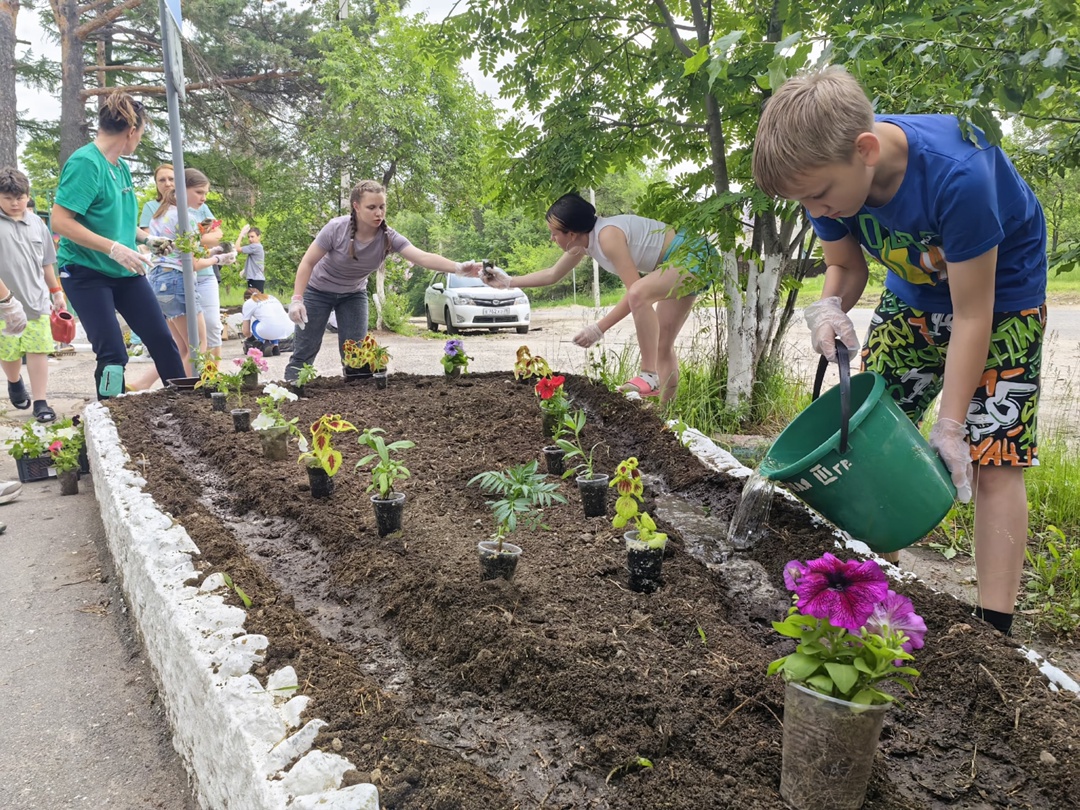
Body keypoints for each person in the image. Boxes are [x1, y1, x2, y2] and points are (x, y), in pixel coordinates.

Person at [752, 66, 1047, 637]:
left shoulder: (958, 172)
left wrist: (953, 422)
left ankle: (995, 631)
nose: (820, 209)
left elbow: (972, 314)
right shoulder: (826, 179)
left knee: (995, 457)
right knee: (863, 432)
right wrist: (829, 307)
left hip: (1002, 299)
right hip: (912, 294)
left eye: (819, 196)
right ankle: (860, 591)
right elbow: (844, 265)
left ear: (865, 150)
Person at [481, 192, 712, 403]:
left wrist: (598, 329)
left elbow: (636, 293)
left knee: (639, 295)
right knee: (663, 345)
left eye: (554, 233)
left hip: (694, 255)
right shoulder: (582, 245)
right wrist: (508, 282)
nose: (552, 239)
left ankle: (649, 375)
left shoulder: (608, 236)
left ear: (571, 234)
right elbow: (552, 274)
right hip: (675, 265)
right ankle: (667, 417)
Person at [49, 93, 186, 397]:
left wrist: (147, 238)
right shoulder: (86, 164)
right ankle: (110, 413)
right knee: (113, 354)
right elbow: (60, 222)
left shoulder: (120, 167)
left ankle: (185, 406)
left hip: (125, 273)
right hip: (86, 274)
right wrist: (113, 248)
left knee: (163, 341)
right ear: (132, 131)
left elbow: (118, 223)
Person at [284, 179, 481, 382]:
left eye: (382, 207)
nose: (378, 213)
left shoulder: (388, 237)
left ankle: (357, 396)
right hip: (318, 292)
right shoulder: (336, 229)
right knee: (306, 347)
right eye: (371, 207)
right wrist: (297, 299)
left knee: (357, 355)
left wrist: (459, 268)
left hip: (353, 294)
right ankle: (291, 390)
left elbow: (422, 257)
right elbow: (307, 262)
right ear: (356, 207)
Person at [145, 168, 237, 375]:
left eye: (205, 193)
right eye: (199, 192)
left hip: (159, 280)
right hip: (178, 282)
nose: (203, 198)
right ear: (182, 189)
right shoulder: (185, 217)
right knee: (199, 345)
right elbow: (193, 264)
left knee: (183, 348)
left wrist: (212, 251)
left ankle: (178, 391)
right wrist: (219, 258)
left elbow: (180, 252)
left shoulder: (160, 213)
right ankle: (188, 394)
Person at [0, 167, 64, 422]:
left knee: (38, 350)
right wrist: (6, 302)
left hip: (36, 300)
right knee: (10, 352)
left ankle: (41, 401)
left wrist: (56, 292)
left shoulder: (37, 223)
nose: (15, 203)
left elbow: (47, 262)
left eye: (20, 197)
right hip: (4, 306)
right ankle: (14, 382)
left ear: (27, 196)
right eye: (8, 198)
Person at [241, 288, 291, 355]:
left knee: (255, 323)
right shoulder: (271, 297)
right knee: (271, 321)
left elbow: (246, 331)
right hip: (288, 328)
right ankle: (275, 346)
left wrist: (251, 337)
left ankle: (265, 343)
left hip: (268, 328)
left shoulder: (249, 302)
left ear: (246, 299)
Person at [236, 225, 266, 292]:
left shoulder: (255, 246)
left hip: (255, 280)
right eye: (248, 237)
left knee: (255, 301)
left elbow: (237, 248)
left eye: (252, 236)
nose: (250, 239)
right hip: (257, 279)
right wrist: (245, 270)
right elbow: (260, 263)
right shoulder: (260, 247)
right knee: (256, 301)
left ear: (259, 237)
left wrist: (241, 235)